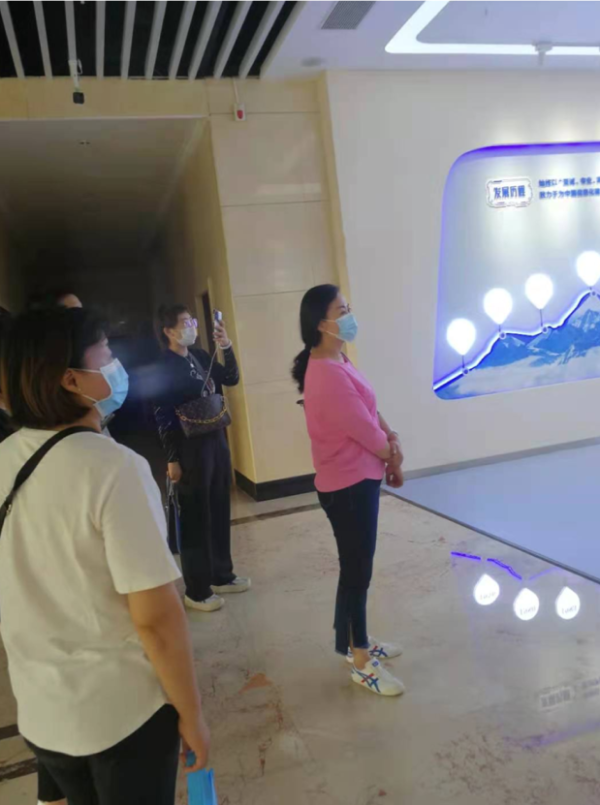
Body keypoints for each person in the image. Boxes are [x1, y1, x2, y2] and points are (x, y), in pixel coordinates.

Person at [0, 308, 209, 805]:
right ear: (71, 379)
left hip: (42, 714)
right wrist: (192, 714)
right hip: (122, 719)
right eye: (107, 355)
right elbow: (156, 618)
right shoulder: (114, 469)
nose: (117, 367)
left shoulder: (5, 459)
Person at [292, 284, 406, 698]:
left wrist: (392, 436)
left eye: (348, 307)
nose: (350, 315)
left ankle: (352, 642)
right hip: (349, 486)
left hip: (358, 479)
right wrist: (392, 454)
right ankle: (361, 662)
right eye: (342, 310)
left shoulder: (338, 359)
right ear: (322, 324)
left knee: (353, 567)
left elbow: (370, 409)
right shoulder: (325, 374)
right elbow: (364, 431)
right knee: (358, 572)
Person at [153, 305, 250, 613]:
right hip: (188, 446)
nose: (192, 326)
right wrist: (172, 458)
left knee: (219, 507)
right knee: (195, 516)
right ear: (169, 331)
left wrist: (226, 346)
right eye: (185, 322)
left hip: (215, 439)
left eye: (192, 320)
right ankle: (197, 590)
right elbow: (162, 414)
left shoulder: (199, 355)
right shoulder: (164, 366)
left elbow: (231, 378)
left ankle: (222, 574)